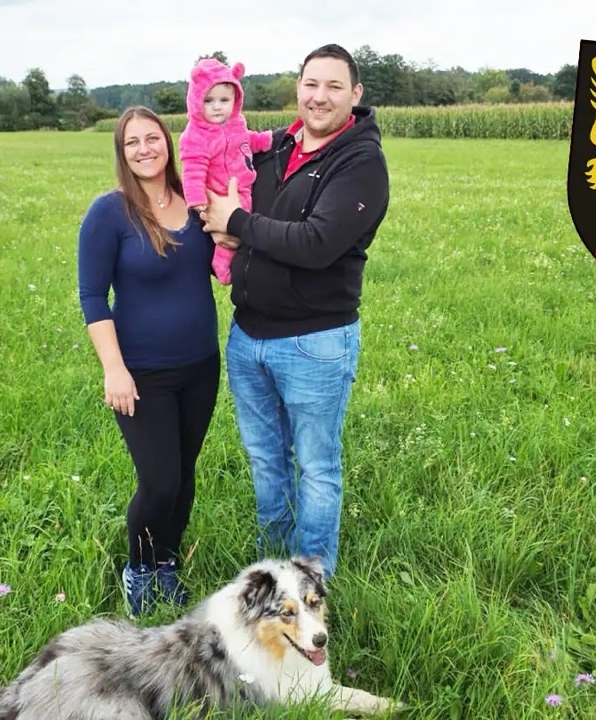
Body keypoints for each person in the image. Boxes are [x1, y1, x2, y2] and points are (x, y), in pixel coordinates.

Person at [197, 43, 390, 580]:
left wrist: (235, 222)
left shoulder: (361, 162)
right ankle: (271, 572)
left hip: (316, 341)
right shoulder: (277, 145)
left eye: (334, 86)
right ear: (298, 88)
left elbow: (317, 243)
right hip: (248, 336)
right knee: (265, 463)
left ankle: (309, 581)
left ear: (355, 94)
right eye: (311, 84)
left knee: (317, 468)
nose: (319, 96)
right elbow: (219, 171)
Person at [77, 106, 221, 617]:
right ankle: (139, 566)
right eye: (132, 142)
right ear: (122, 153)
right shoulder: (109, 213)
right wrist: (114, 369)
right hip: (141, 373)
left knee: (184, 474)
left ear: (168, 142)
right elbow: (93, 296)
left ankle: (167, 563)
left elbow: (223, 262)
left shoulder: (197, 203)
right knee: (158, 480)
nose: (144, 149)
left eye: (152, 138)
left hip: (202, 364)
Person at [178, 57, 275, 285]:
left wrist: (264, 140)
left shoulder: (236, 123)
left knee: (249, 225)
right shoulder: (195, 136)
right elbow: (192, 169)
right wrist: (196, 198)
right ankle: (222, 265)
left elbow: (245, 140)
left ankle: (245, 263)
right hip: (219, 192)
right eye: (209, 100)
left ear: (235, 100)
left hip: (243, 186)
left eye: (224, 100)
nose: (217, 106)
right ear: (196, 101)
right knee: (231, 228)